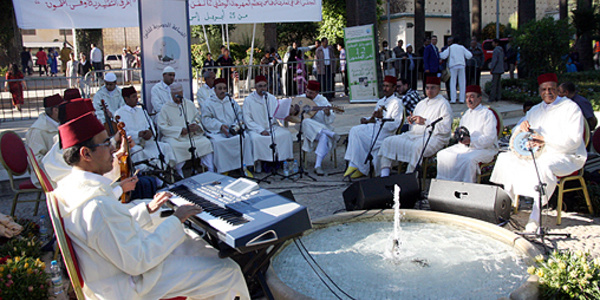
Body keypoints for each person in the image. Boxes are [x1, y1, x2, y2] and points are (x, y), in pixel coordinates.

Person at [53, 112, 249, 300]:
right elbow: (138, 260)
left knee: (194, 244)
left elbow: (111, 231)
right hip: (130, 286)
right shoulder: (96, 205)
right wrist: (176, 219)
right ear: (86, 153)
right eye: (106, 143)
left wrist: (147, 211)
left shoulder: (70, 186)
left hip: (112, 274)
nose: (113, 149)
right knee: (227, 271)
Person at [490, 73, 587, 233]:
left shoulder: (571, 108)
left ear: (558, 90)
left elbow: (575, 140)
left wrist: (546, 140)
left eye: (551, 89)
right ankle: (505, 207)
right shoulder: (535, 110)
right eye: (544, 89)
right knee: (505, 158)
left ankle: (535, 217)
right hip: (536, 152)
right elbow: (517, 129)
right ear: (539, 91)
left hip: (564, 154)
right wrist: (521, 128)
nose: (547, 92)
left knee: (541, 166)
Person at [379, 76, 452, 176]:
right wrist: (412, 121)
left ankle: (410, 177)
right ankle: (384, 175)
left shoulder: (443, 104)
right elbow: (413, 125)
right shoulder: (421, 103)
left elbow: (445, 129)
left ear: (439, 88)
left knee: (416, 148)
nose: (429, 90)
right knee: (388, 141)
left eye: (433, 88)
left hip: (435, 137)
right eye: (427, 88)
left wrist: (425, 121)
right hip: (415, 134)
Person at [344, 76, 404, 179]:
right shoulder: (381, 101)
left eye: (388, 86)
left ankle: (358, 167)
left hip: (386, 133)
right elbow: (374, 119)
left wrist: (381, 118)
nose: (385, 89)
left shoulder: (397, 103)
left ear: (394, 88)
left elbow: (394, 124)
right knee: (355, 130)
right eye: (384, 86)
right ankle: (355, 165)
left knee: (360, 136)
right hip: (375, 128)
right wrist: (367, 119)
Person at [436, 85, 498, 182]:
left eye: (472, 97)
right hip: (464, 147)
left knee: (468, 160)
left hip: (484, 148)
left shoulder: (487, 114)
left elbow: (489, 138)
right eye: (467, 97)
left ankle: (466, 188)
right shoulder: (466, 114)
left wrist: (471, 141)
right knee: (442, 154)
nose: (468, 100)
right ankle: (446, 185)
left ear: (480, 98)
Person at [157, 82, 214, 177]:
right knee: (173, 146)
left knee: (206, 142)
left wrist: (196, 125)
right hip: (176, 138)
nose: (178, 98)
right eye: (176, 96)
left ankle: (211, 170)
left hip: (191, 136)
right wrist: (180, 131)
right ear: (171, 95)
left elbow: (197, 118)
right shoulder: (165, 108)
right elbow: (162, 126)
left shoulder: (189, 104)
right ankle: (180, 173)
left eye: (180, 95)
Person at [115, 86, 177, 172]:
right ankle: (149, 175)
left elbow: (150, 125)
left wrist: (150, 133)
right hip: (133, 145)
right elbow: (123, 133)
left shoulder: (141, 110)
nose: (136, 99)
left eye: (136, 96)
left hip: (147, 142)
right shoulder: (119, 113)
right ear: (126, 99)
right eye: (133, 97)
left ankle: (163, 173)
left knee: (165, 146)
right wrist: (138, 134)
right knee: (138, 151)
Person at [201, 78, 254, 173]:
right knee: (218, 143)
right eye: (219, 88)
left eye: (224, 88)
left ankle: (243, 167)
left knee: (245, 138)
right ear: (214, 90)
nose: (222, 91)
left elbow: (239, 114)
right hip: (218, 132)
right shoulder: (208, 103)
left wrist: (235, 125)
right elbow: (206, 119)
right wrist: (220, 126)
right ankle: (224, 169)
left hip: (232, 129)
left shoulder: (231, 101)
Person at [242, 75, 294, 168]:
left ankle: (282, 160)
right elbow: (247, 119)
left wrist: (286, 115)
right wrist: (261, 130)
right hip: (255, 129)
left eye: (264, 86)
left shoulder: (271, 98)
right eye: (260, 86)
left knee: (286, 134)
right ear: (255, 87)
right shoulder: (248, 100)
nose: (263, 88)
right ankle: (258, 162)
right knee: (255, 139)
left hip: (272, 127)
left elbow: (277, 113)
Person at [297, 81, 338, 175]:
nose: (308, 94)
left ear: (317, 93)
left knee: (323, 136)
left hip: (320, 129)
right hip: (307, 130)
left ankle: (317, 166)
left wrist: (327, 113)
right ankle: (330, 134)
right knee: (306, 121)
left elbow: (331, 118)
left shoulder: (323, 101)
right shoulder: (302, 99)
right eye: (307, 91)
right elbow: (292, 110)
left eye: (311, 93)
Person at [26, 94, 63, 164]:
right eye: (64, 108)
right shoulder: (38, 130)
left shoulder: (61, 122)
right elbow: (36, 160)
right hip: (49, 171)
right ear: (55, 110)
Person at [440, 37, 473, 104]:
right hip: (461, 65)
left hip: (453, 66)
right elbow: (469, 55)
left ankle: (453, 99)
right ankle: (462, 99)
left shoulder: (450, 48)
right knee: (462, 82)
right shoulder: (462, 47)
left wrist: (439, 53)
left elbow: (443, 56)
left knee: (453, 82)